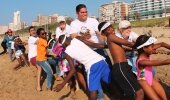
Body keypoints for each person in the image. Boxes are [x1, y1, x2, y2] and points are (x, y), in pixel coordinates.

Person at [69, 4, 112, 99]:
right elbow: (74, 36)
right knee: (94, 77)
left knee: (109, 70)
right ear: (77, 13)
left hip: (99, 49)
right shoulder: (74, 24)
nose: (85, 14)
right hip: (87, 53)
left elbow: (99, 33)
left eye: (86, 12)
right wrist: (86, 40)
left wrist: (103, 42)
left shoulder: (93, 21)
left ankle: (111, 91)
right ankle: (100, 97)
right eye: (82, 12)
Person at [53, 35, 111, 100]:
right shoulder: (77, 38)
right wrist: (109, 46)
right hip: (101, 61)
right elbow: (94, 45)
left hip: (92, 66)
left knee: (92, 91)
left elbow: (72, 70)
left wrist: (62, 84)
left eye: (62, 46)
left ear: (63, 44)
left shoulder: (67, 53)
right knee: (111, 82)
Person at [98, 22, 144, 100]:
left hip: (123, 67)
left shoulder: (111, 39)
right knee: (139, 93)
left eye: (111, 27)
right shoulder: (111, 36)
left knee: (135, 94)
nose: (111, 29)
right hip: (121, 67)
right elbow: (128, 43)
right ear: (103, 33)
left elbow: (125, 47)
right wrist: (143, 43)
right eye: (108, 29)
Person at [134, 35, 170, 100]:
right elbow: (162, 62)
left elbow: (162, 44)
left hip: (151, 79)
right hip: (143, 82)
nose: (154, 48)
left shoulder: (147, 51)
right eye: (152, 46)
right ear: (144, 48)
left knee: (165, 98)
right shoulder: (142, 61)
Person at [28, 26, 43, 91]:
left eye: (34, 30)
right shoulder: (31, 38)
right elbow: (38, 42)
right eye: (31, 31)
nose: (33, 31)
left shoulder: (37, 37)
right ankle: (38, 86)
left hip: (39, 56)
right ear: (30, 33)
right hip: (33, 57)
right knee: (39, 67)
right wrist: (43, 35)